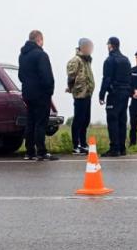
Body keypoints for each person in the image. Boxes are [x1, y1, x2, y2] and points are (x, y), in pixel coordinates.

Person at [18, 30, 57, 161]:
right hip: (41, 94)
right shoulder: (41, 55)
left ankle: (29, 151)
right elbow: (47, 76)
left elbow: (20, 76)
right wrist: (49, 91)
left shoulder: (22, 55)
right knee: (41, 123)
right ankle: (41, 151)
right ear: (39, 39)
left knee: (30, 122)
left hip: (27, 94)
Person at [97, 36, 131, 157]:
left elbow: (106, 79)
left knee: (113, 120)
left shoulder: (110, 60)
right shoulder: (126, 60)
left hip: (115, 93)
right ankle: (122, 148)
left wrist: (102, 94)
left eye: (108, 44)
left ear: (110, 45)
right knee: (122, 120)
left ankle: (114, 149)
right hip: (125, 93)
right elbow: (129, 78)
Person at [66, 38, 95, 155]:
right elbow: (71, 76)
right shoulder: (76, 60)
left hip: (88, 94)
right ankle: (76, 145)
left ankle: (83, 143)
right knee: (78, 119)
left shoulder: (87, 60)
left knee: (85, 120)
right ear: (82, 47)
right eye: (87, 46)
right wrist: (70, 87)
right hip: (80, 94)